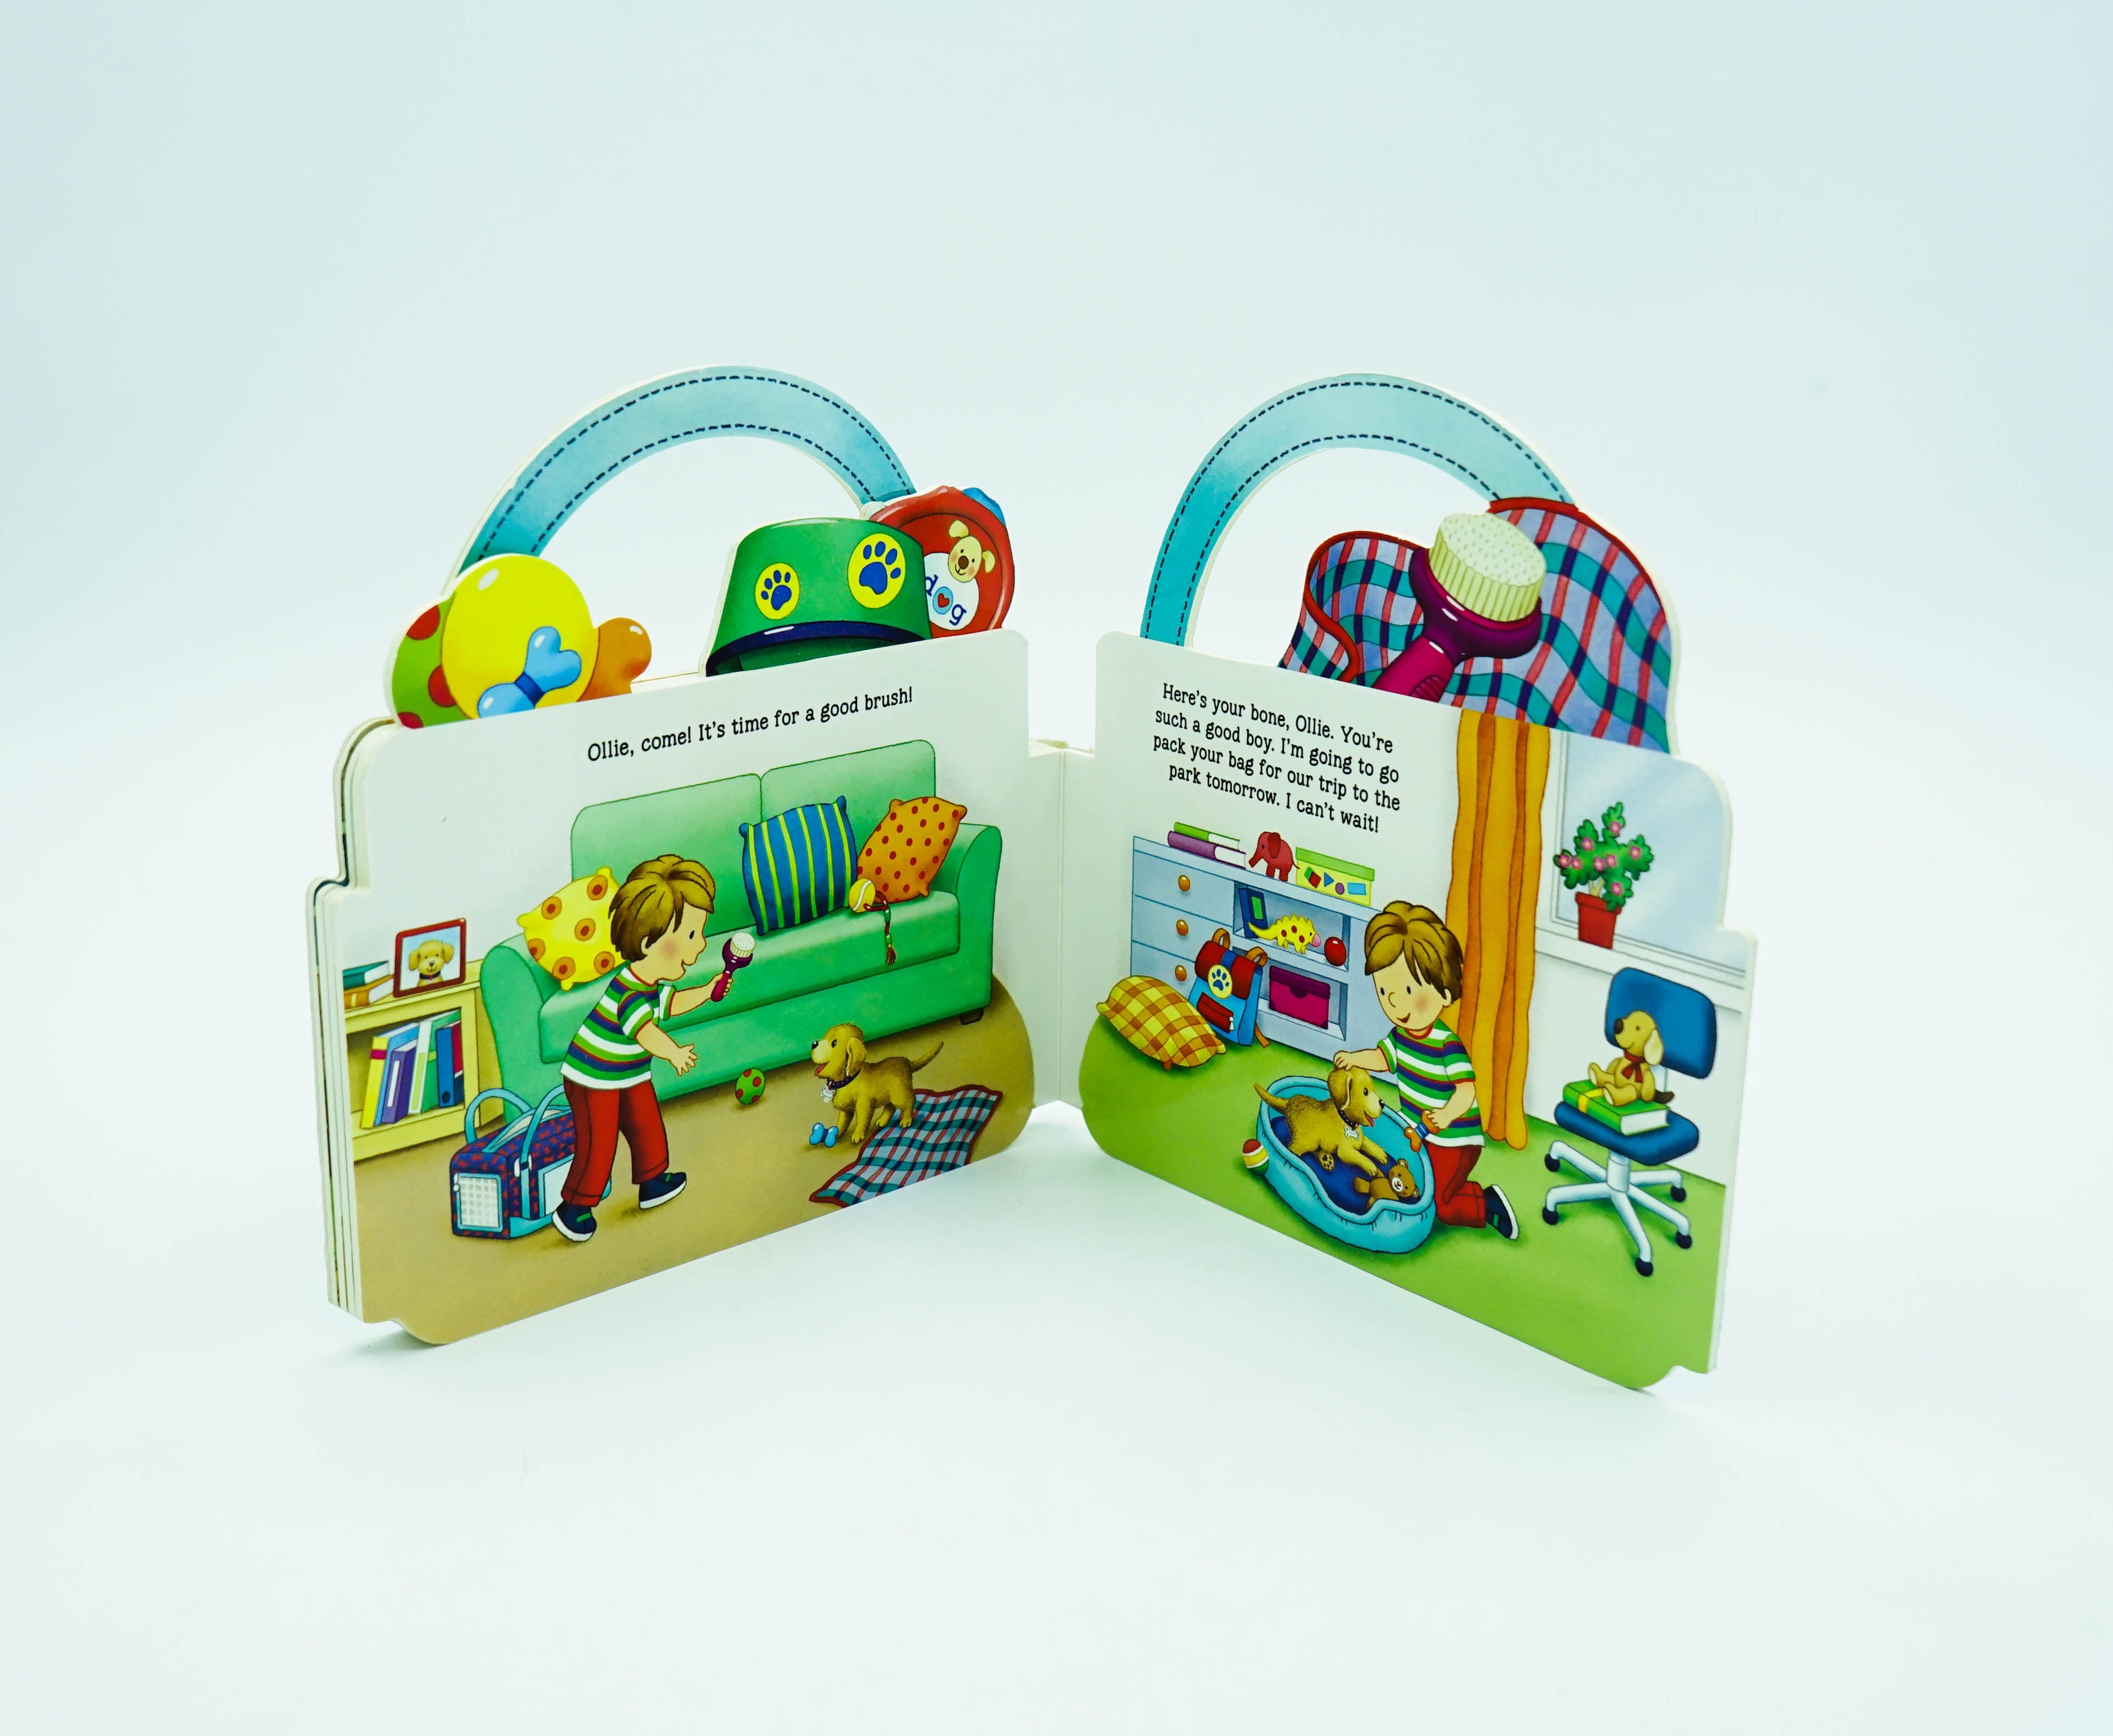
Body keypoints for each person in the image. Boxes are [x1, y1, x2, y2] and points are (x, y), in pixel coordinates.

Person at [551, 854, 720, 1243]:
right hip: (593, 1077)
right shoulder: (629, 994)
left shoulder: (650, 986)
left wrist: (708, 991)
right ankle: (574, 1207)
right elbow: (645, 1032)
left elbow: (672, 1003)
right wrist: (674, 1053)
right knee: (599, 1142)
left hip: (627, 1073)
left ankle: (653, 1180)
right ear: (648, 943)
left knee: (646, 1123)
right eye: (691, 936)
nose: (701, 945)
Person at [1336, 900, 1517, 1240]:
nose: (1395, 1003)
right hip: (1420, 1131)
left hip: (1455, 1138)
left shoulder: (1447, 1045)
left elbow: (1466, 1091)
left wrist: (1446, 1115)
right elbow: (1382, 1058)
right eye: (1385, 991)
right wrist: (1354, 1058)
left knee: (1440, 1205)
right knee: (1412, 1179)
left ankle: (1486, 1202)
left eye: (1407, 991)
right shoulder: (1400, 1036)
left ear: (1445, 993)